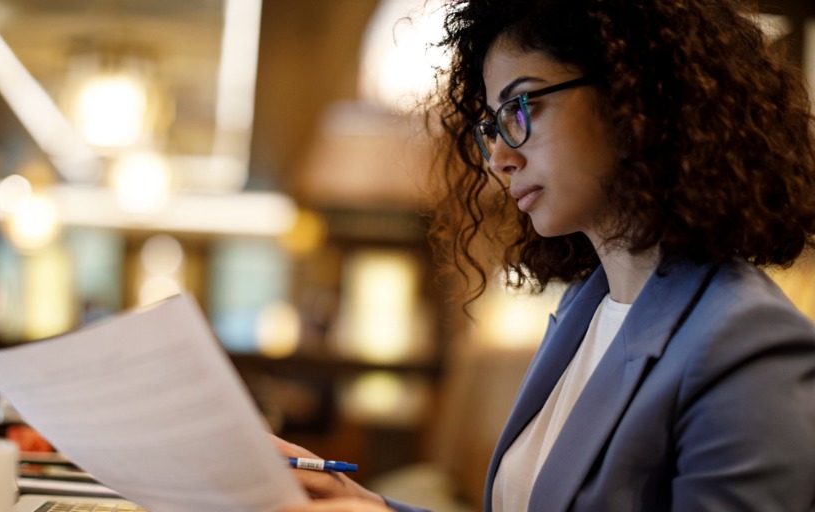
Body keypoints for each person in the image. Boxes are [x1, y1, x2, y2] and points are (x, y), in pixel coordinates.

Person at [277, 0, 815, 510]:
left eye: (521, 105)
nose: (500, 158)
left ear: (633, 92)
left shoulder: (749, 343)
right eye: (491, 126)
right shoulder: (588, 307)